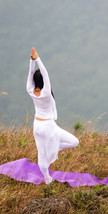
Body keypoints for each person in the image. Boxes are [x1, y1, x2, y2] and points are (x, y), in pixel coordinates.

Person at [27, 47, 79, 184]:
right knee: (74, 142)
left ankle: (47, 179)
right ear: (44, 82)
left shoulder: (30, 90)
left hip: (37, 125)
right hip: (48, 126)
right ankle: (54, 150)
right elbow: (45, 74)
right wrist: (37, 58)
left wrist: (32, 61)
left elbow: (31, 73)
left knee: (41, 153)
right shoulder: (46, 94)